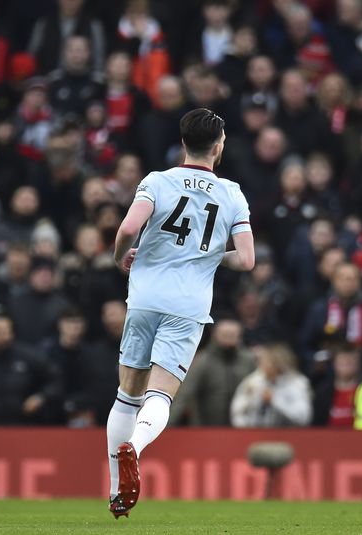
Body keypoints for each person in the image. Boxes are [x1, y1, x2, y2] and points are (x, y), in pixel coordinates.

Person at [105, 108, 255, 518]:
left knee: (126, 395)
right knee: (160, 395)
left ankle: (118, 492)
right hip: (188, 307)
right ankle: (134, 447)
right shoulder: (232, 194)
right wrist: (208, 257)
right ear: (219, 146)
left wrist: (122, 257)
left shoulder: (156, 181)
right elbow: (246, 259)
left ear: (183, 142)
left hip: (145, 299)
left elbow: (125, 231)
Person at [169, 318, 256, 426]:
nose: (229, 340)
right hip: (206, 429)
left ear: (240, 337)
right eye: (225, 335)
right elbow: (183, 395)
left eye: (233, 335)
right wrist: (167, 426)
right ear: (214, 335)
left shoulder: (248, 360)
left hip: (243, 428)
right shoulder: (202, 361)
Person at [230, 343, 312, 427]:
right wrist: (246, 431)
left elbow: (303, 417)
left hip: (289, 435)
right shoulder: (252, 382)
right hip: (255, 435)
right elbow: (238, 412)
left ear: (278, 362)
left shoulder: (297, 383)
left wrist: (274, 401)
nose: (261, 364)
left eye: (266, 360)